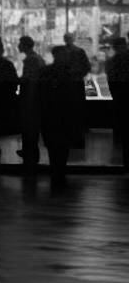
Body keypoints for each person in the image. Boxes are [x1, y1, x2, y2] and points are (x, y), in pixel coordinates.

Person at [42, 45, 86, 185]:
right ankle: (60, 171)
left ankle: (56, 171)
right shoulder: (71, 73)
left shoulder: (47, 71)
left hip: (52, 113)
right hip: (64, 113)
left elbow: (41, 94)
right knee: (62, 145)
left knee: (54, 145)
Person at [17, 35, 46, 172]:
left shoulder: (30, 60)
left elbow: (28, 79)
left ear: (25, 45)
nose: (18, 46)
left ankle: (30, 154)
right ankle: (31, 153)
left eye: (20, 43)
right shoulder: (37, 58)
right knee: (32, 128)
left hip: (30, 98)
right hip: (36, 97)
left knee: (29, 127)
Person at [106, 35, 129, 171]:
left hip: (119, 97)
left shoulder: (112, 61)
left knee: (122, 128)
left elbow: (111, 79)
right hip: (123, 95)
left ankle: (125, 163)